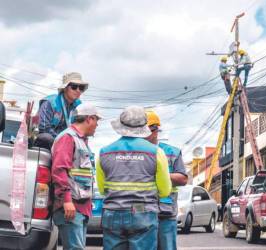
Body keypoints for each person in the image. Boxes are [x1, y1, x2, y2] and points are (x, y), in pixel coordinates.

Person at [96, 106, 171, 250]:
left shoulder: (104, 152)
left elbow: (102, 189)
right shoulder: (156, 152)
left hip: (113, 213)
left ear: (121, 125)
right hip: (143, 213)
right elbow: (165, 191)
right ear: (144, 126)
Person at [51, 103, 102, 250]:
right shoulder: (68, 138)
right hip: (71, 206)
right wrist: (66, 201)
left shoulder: (80, 140)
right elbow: (59, 171)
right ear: (89, 119)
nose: (97, 125)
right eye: (96, 121)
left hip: (79, 207)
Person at [146, 110, 188, 250]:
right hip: (142, 211)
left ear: (156, 130)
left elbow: (182, 179)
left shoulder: (171, 152)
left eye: (148, 131)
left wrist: (160, 175)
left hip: (166, 211)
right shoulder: (138, 151)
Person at [35, 72, 88, 149]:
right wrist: (63, 139)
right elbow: (44, 128)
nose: (78, 90)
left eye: (81, 88)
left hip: (69, 141)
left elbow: (81, 128)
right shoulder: (49, 102)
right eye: (74, 87)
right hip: (52, 141)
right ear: (65, 88)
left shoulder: (79, 106)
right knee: (45, 137)